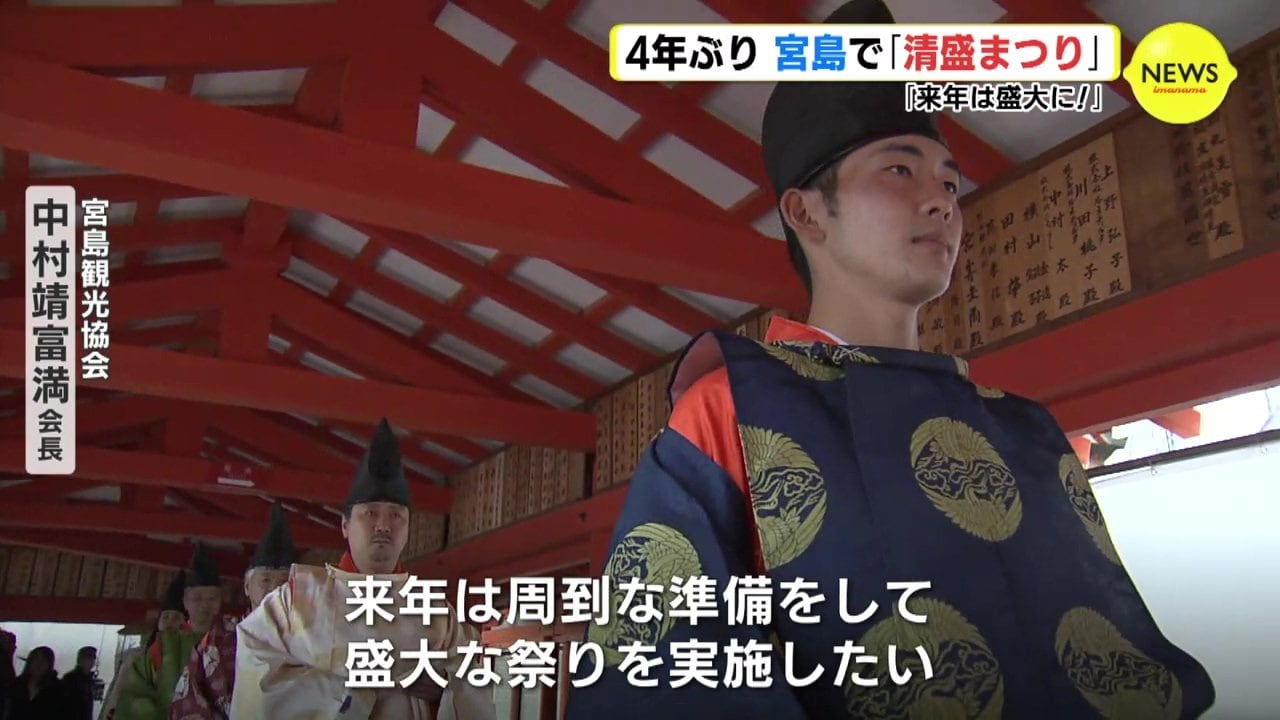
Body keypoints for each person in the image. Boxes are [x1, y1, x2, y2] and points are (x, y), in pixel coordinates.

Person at [564, 1, 1217, 718]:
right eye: (900, 169)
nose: (941, 202)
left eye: (949, 181)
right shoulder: (732, 412)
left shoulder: (1026, 429)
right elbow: (655, 674)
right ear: (806, 213)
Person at [237, 419, 496, 719]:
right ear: (345, 526)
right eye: (370, 513)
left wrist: (445, 690)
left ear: (408, 528)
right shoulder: (295, 601)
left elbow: (471, 677)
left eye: (396, 515)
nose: (383, 525)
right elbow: (255, 661)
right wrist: (350, 694)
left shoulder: (437, 613)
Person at [169, 502, 297, 720]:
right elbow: (191, 702)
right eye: (266, 579)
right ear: (247, 586)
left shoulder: (312, 637)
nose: (275, 589)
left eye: (284, 581)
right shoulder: (220, 640)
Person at [116, 545, 222, 720]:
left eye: (212, 598)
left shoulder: (233, 642)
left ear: (219, 602)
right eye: (197, 598)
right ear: (185, 601)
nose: (205, 604)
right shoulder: (163, 648)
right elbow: (135, 695)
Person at [100, 581, 189, 720]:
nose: (169, 622)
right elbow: (117, 697)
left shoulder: (192, 659)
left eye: (176, 617)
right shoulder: (136, 658)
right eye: (165, 617)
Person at [3, 646, 62, 719]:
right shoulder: (15, 685)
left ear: (50, 665)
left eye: (44, 660)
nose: (39, 664)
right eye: (36, 659)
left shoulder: (57, 689)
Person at [60, 646, 99, 720]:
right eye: (87, 657)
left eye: (93, 658)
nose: (91, 660)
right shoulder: (70, 678)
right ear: (80, 660)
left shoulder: (89, 680)